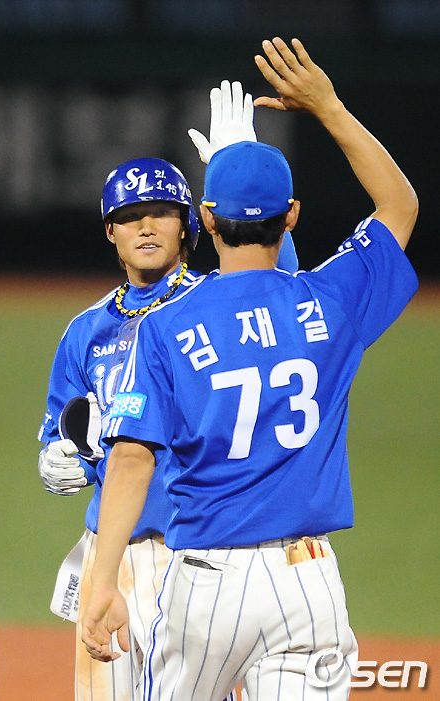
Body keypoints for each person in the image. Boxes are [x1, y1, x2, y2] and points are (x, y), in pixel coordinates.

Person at [80, 36, 418, 700]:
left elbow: (131, 459)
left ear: (205, 220)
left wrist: (104, 579)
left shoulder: (166, 326)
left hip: (207, 584)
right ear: (292, 216)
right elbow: (399, 205)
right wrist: (327, 106)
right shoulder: (332, 302)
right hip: (307, 583)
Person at [38, 81, 299, 700]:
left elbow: (281, 294)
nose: (146, 226)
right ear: (110, 232)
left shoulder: (213, 303)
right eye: (130, 216)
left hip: (196, 552)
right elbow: (63, 426)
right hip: (109, 552)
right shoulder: (84, 332)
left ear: (190, 225)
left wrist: (242, 178)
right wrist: (56, 458)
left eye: (161, 212)